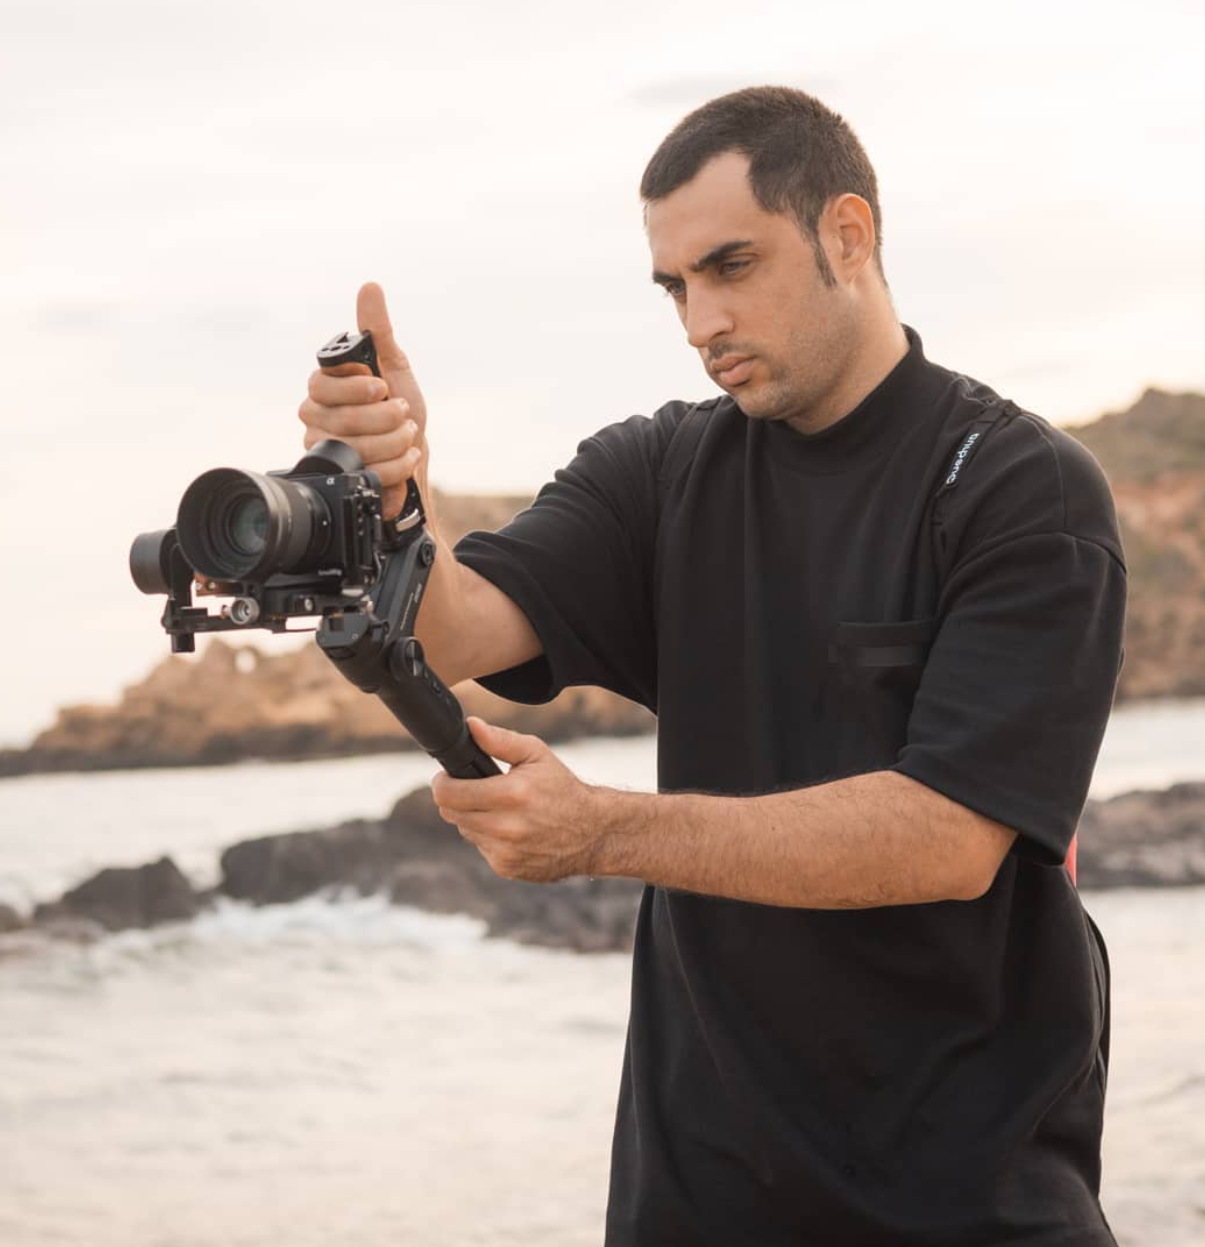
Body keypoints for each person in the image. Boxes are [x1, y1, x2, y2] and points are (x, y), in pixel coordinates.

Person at [298, 87, 1126, 1246]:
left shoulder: (1017, 488)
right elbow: (452, 627)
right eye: (676, 286)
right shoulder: (659, 469)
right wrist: (390, 490)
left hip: (964, 1202)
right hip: (694, 1199)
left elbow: (949, 834)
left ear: (848, 234)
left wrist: (603, 832)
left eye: (732, 266)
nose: (700, 320)